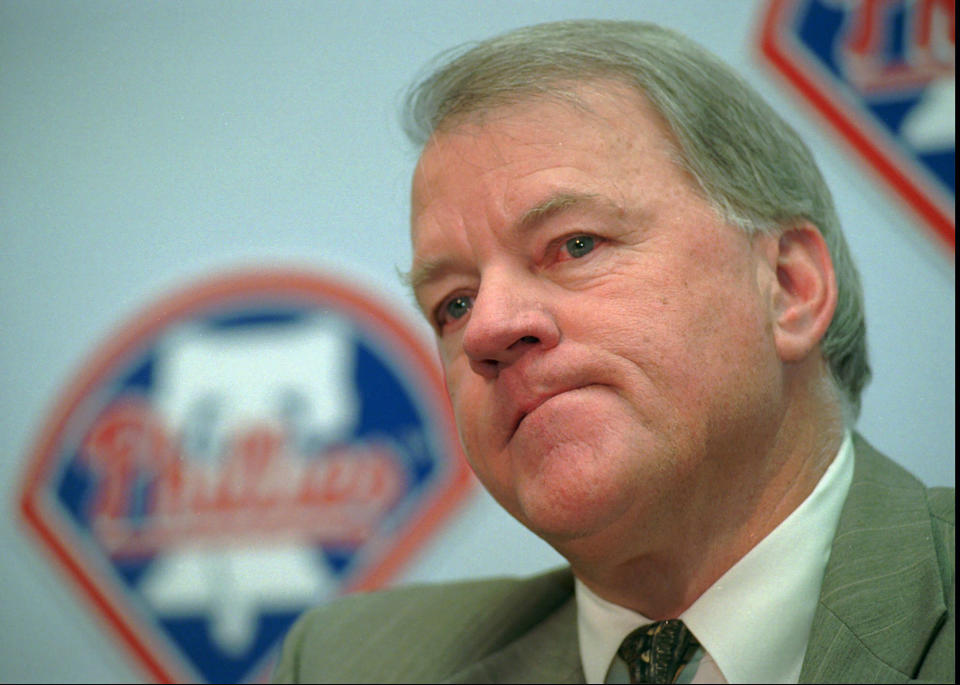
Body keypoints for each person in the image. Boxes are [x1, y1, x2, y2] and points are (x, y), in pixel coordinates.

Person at [274, 19, 953, 684]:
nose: (486, 330)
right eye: (454, 302)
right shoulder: (347, 663)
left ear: (788, 287)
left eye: (575, 244)